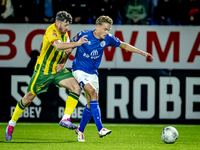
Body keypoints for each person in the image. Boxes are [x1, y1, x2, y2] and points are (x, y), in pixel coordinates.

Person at [5, 11, 88, 141]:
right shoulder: (51, 30)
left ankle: (65, 118)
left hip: (58, 70)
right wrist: (76, 44)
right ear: (58, 22)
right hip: (43, 71)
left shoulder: (65, 34)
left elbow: (66, 51)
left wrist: (63, 62)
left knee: (76, 88)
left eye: (68, 26)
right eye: (65, 25)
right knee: (28, 99)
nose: (67, 28)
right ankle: (11, 123)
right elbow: (58, 45)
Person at [71, 15, 154, 142]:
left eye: (108, 30)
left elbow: (124, 45)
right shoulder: (84, 35)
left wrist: (142, 52)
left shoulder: (108, 38)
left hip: (93, 73)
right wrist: (61, 60)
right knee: (93, 93)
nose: (107, 32)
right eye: (105, 29)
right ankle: (101, 129)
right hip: (79, 70)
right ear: (97, 27)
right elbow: (70, 45)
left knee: (90, 103)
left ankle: (80, 130)